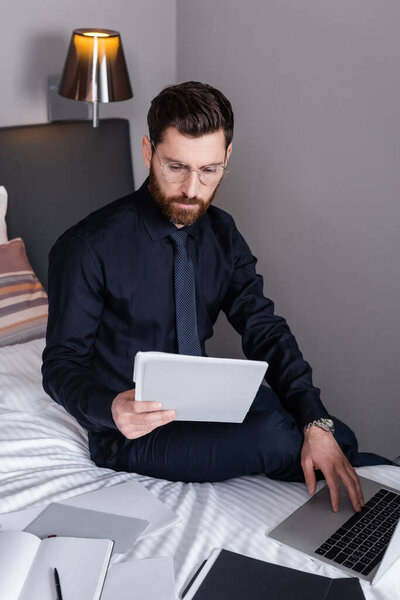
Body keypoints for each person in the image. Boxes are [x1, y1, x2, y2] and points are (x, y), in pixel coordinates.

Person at [42, 81, 391, 514]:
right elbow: (60, 365)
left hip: (205, 402)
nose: (192, 189)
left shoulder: (222, 233)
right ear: (148, 152)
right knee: (278, 437)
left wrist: (315, 423)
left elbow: (264, 329)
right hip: (130, 432)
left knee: (330, 432)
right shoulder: (87, 246)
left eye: (209, 171)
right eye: (176, 167)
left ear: (227, 158)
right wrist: (111, 408)